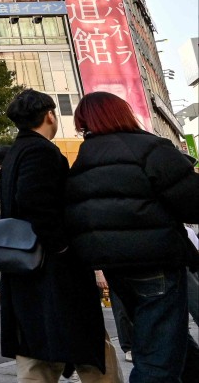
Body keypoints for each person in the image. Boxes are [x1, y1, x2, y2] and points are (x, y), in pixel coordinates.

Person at [65, 91, 199, 382]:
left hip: (114, 267)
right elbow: (192, 203)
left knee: (164, 337)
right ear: (123, 113)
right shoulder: (151, 148)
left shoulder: (82, 162)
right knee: (158, 355)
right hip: (156, 260)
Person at [0, 89, 120, 383]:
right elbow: (35, 202)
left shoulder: (15, 152)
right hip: (52, 268)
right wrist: (63, 247)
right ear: (50, 115)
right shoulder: (41, 151)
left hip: (24, 266)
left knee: (35, 347)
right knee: (86, 341)